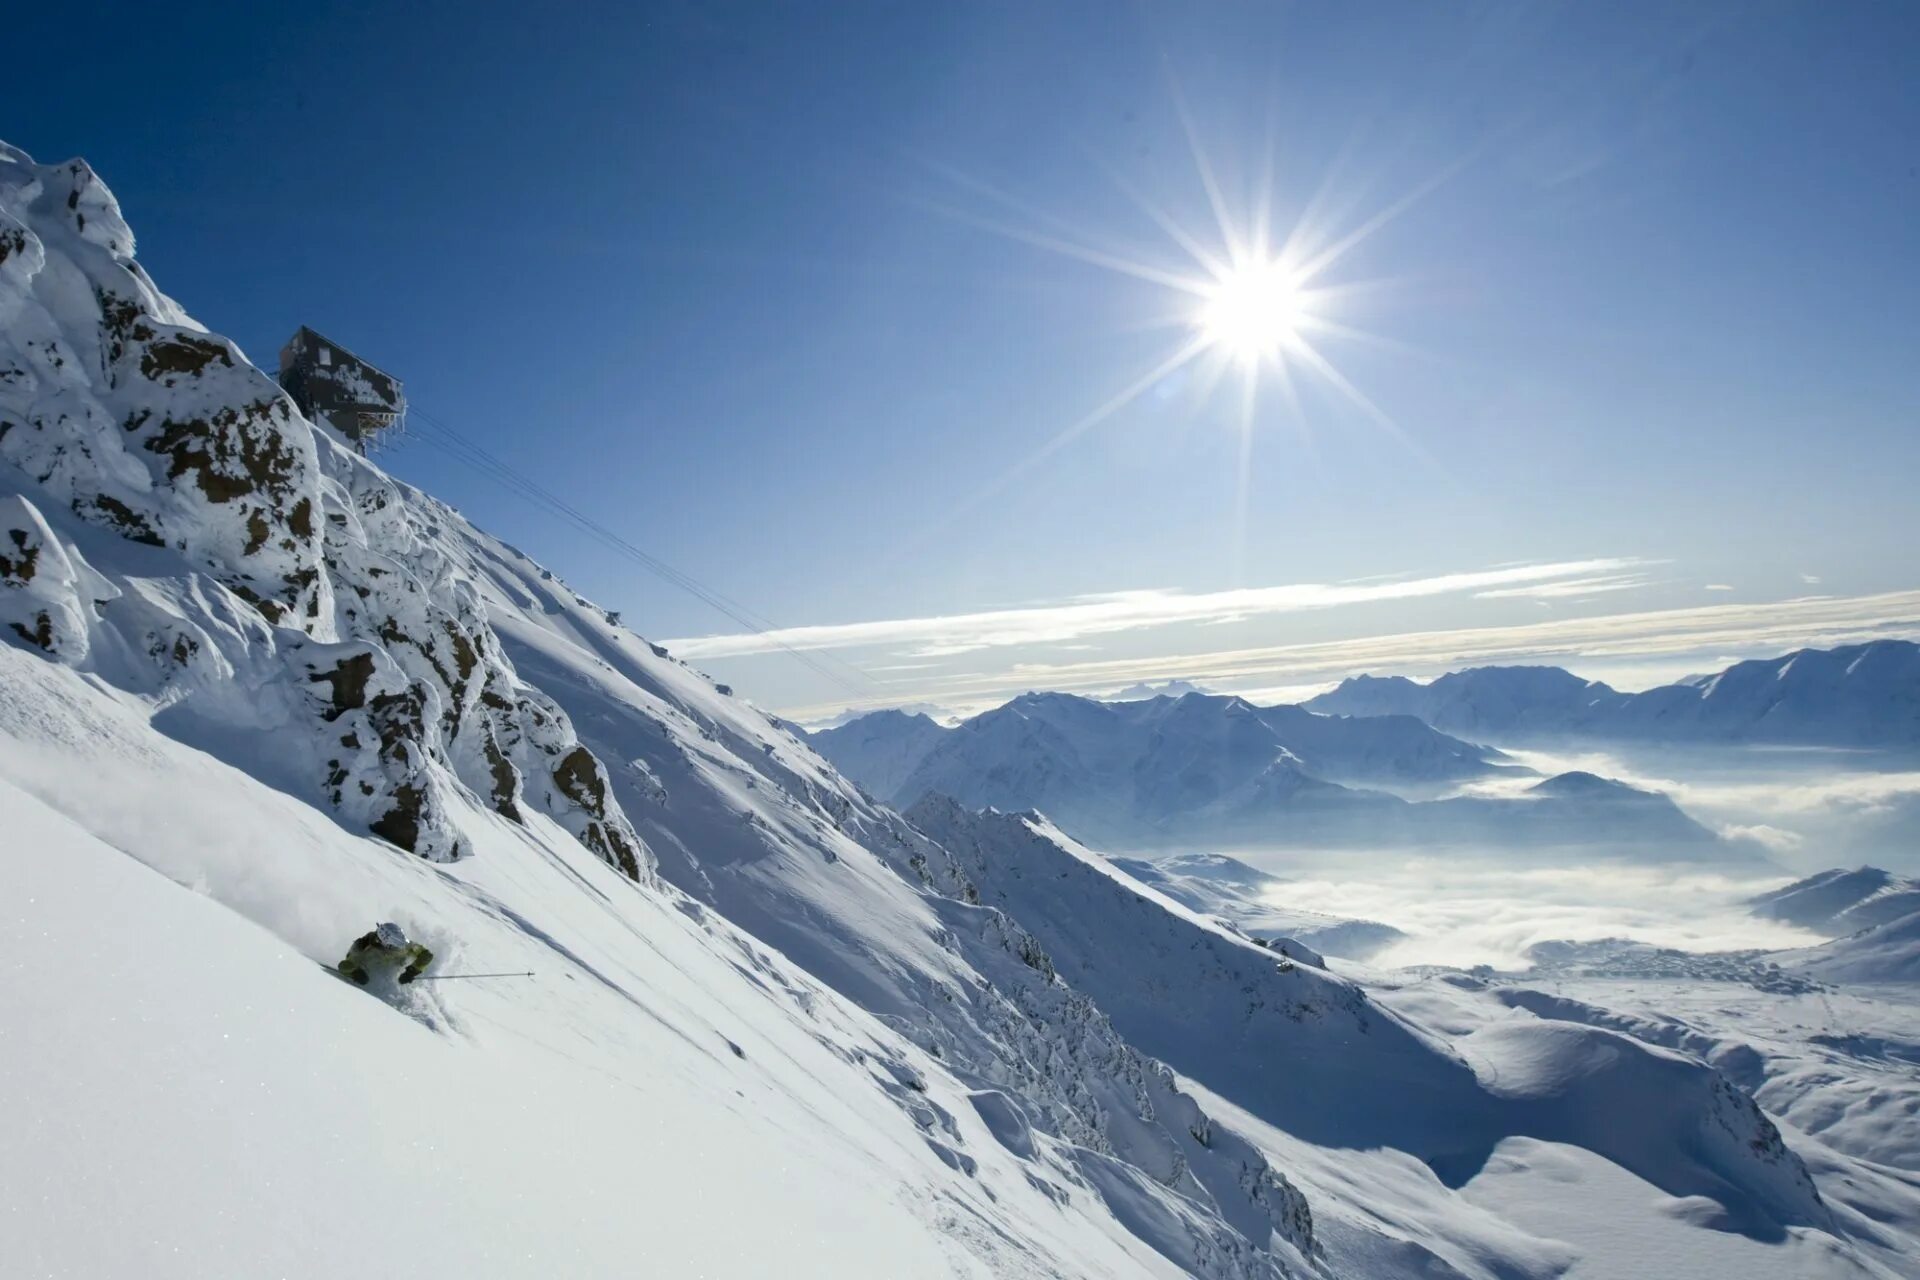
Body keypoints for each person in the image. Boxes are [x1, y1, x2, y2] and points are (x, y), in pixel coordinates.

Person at [337, 922, 434, 986]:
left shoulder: (405, 945)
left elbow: (426, 955)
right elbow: (344, 965)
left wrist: (411, 972)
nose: (399, 948)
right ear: (383, 943)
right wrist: (355, 972)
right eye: (394, 946)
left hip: (392, 976)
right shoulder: (364, 946)